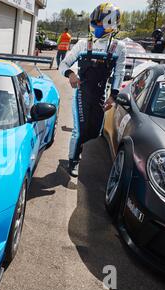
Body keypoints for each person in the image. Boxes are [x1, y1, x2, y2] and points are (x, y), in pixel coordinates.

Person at [59, 3, 126, 177]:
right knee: (79, 129)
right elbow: (63, 63)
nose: (95, 25)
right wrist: (70, 74)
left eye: (99, 22)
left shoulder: (119, 48)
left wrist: (113, 95)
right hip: (82, 93)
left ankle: (80, 150)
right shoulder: (82, 44)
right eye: (94, 21)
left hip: (100, 96)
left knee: (94, 130)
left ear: (111, 24)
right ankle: (72, 161)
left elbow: (120, 72)